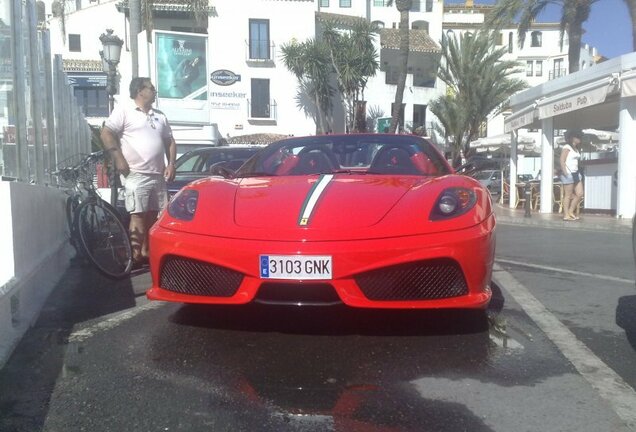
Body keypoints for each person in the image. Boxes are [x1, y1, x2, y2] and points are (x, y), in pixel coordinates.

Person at [101, 77, 177, 267]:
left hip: (157, 175)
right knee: (138, 214)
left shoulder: (160, 115)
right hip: (136, 174)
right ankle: (135, 256)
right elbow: (106, 132)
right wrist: (118, 158)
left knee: (154, 215)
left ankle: (147, 252)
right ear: (139, 91)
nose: (154, 90)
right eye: (150, 88)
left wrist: (171, 164)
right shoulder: (124, 111)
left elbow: (170, 141)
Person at [559, 129, 584, 221]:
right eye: (578, 137)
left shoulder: (576, 149)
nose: (580, 139)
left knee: (580, 193)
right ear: (573, 138)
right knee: (568, 195)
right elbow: (562, 160)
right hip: (569, 173)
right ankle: (566, 215)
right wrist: (566, 173)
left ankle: (570, 211)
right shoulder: (567, 147)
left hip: (576, 173)